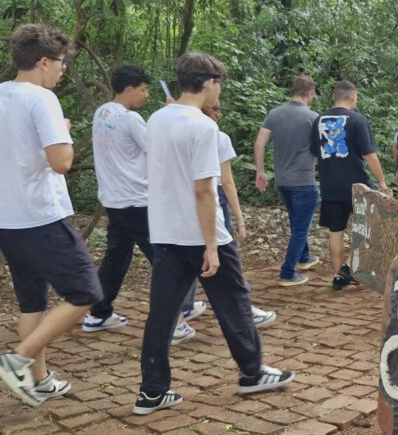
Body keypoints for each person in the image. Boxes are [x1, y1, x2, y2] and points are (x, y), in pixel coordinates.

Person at [135, 52, 294, 415]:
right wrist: (211, 244)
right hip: (201, 235)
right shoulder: (204, 127)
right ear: (208, 83)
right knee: (235, 303)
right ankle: (252, 372)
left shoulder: (157, 119)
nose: (219, 90)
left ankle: (152, 390)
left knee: (162, 313)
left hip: (165, 232)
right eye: (219, 83)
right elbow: (205, 189)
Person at [0, 24, 103, 407]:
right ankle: (17, 360)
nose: (63, 69)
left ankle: (39, 381)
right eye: (62, 62)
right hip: (40, 217)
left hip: (3, 217)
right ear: (43, 61)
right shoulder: (41, 100)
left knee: (32, 301)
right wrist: (63, 131)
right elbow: (61, 162)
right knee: (86, 292)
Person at [82, 65, 199, 345]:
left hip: (113, 199)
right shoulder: (130, 119)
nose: (146, 95)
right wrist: (174, 114)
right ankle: (176, 319)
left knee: (116, 257)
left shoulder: (102, 113)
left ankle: (98, 312)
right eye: (144, 90)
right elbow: (160, 149)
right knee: (167, 258)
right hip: (137, 201)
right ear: (129, 89)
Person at [310, 80, 390, 290]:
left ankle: (339, 274)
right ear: (353, 97)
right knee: (371, 227)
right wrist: (381, 181)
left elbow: (315, 155)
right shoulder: (357, 120)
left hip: (330, 186)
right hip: (358, 186)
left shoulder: (319, 120)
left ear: (334, 97)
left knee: (335, 231)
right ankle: (347, 268)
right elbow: (369, 155)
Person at [203, 99, 276, 327]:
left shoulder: (173, 129)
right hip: (212, 196)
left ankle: (180, 314)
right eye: (217, 108)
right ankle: (244, 311)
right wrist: (239, 219)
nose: (220, 114)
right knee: (228, 256)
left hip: (183, 200)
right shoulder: (217, 137)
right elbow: (227, 181)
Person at [254, 76, 321, 287]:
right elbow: (320, 151)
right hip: (303, 180)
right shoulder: (313, 117)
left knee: (296, 222)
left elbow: (260, 143)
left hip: (282, 180)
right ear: (310, 93)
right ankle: (288, 271)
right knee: (300, 228)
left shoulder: (275, 114)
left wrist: (260, 171)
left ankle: (304, 257)